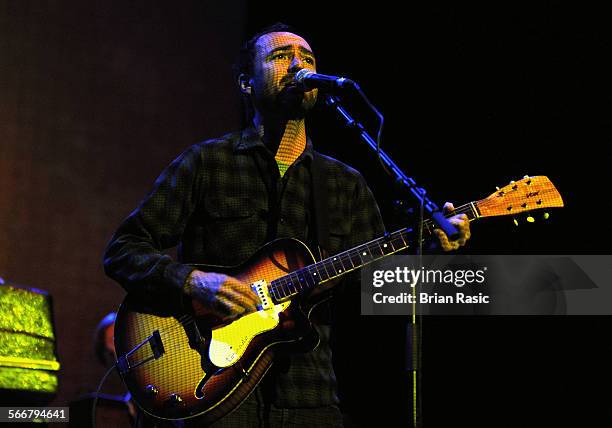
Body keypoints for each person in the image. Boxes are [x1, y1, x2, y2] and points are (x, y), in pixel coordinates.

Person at [103, 23, 470, 427]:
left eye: (308, 59)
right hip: (212, 391)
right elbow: (123, 250)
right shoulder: (206, 163)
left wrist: (429, 253)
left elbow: (372, 287)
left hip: (309, 393)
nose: (299, 64)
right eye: (281, 57)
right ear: (247, 83)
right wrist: (193, 281)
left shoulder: (344, 183)